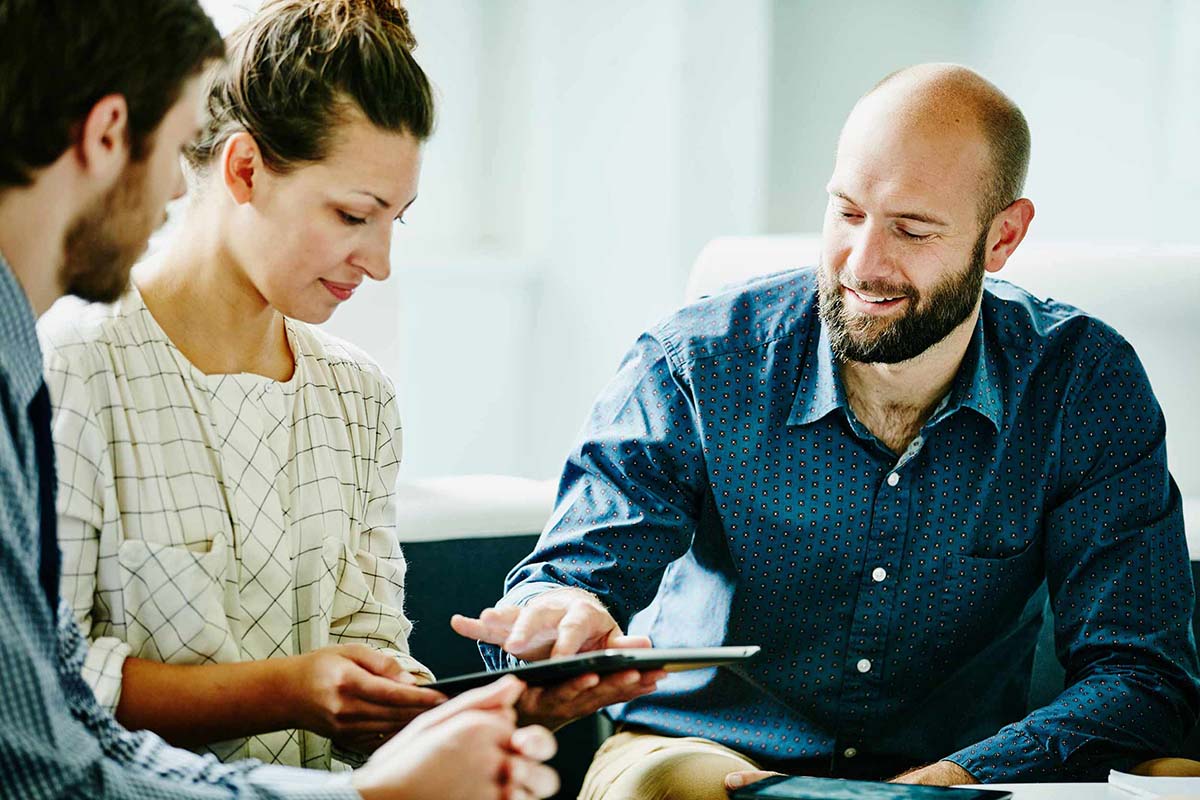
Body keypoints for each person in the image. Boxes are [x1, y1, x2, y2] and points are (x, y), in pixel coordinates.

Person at [452, 63, 1200, 798]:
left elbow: (1141, 674)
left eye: (912, 229)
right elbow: (574, 578)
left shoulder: (1082, 384)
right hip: (709, 755)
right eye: (846, 213)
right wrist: (559, 614)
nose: (863, 264)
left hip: (968, 774)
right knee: (666, 789)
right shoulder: (697, 361)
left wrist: (950, 782)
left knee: (1176, 779)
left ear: (1002, 238)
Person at [0, 1, 557, 798]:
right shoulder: (68, 365)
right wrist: (294, 689)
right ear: (244, 170)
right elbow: (56, 703)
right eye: (352, 215)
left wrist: (505, 709)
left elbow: (373, 651)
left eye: (396, 220)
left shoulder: (358, 395)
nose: (380, 262)